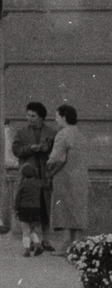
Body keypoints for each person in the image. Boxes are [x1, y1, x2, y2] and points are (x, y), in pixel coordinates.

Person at [12, 102, 56, 251]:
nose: (29, 118)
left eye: (33, 116)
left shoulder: (51, 132)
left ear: (41, 117)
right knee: (30, 206)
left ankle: (46, 239)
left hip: (44, 172)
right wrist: (30, 148)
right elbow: (16, 150)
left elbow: (55, 151)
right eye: (28, 115)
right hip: (29, 173)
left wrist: (45, 150)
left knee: (45, 206)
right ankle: (33, 239)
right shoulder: (21, 132)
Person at [46, 103, 91, 249]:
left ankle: (65, 244)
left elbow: (57, 158)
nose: (55, 120)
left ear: (64, 117)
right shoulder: (80, 134)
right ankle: (76, 244)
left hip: (64, 178)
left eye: (57, 116)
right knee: (77, 211)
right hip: (80, 178)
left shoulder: (62, 134)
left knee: (64, 211)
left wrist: (49, 171)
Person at [14, 159, 48, 256]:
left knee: (25, 230)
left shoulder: (23, 184)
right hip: (36, 209)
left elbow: (18, 198)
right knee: (32, 230)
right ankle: (38, 245)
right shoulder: (38, 183)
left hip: (24, 209)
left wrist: (16, 209)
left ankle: (27, 249)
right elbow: (47, 186)